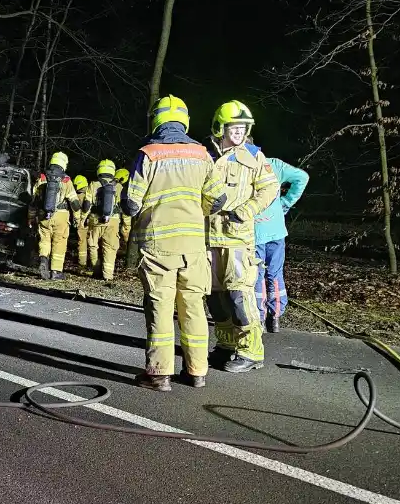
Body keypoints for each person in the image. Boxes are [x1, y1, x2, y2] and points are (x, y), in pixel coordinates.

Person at [124, 95, 227, 390]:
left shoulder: (149, 154)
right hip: (194, 248)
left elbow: (131, 204)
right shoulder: (202, 154)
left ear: (156, 119)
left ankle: (159, 374)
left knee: (160, 308)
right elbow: (218, 199)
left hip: (159, 248)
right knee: (193, 307)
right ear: (185, 120)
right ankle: (197, 372)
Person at [205, 101, 279, 373]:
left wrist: (247, 209)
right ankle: (226, 345)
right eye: (233, 127)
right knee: (214, 296)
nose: (238, 132)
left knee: (238, 295)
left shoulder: (254, 156)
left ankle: (251, 351)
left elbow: (269, 189)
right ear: (220, 128)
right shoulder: (204, 154)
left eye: (242, 128)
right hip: (207, 238)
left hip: (237, 238)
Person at [253, 157, 309, 332]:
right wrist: (285, 202)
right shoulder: (274, 165)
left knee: (256, 274)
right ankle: (275, 316)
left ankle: (259, 317)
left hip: (254, 231)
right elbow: (302, 177)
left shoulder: (241, 166)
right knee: (275, 274)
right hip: (276, 229)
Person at [31, 151, 80, 280]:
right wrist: (77, 218)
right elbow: (74, 203)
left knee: (44, 240)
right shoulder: (66, 180)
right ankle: (56, 272)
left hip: (43, 215)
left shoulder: (42, 177)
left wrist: (30, 217)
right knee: (59, 242)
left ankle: (43, 260)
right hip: (61, 216)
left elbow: (34, 200)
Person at [85, 160, 123, 281]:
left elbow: (87, 204)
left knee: (93, 244)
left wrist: (83, 219)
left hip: (95, 219)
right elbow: (123, 207)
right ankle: (107, 275)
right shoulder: (119, 187)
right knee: (110, 247)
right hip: (113, 220)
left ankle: (96, 271)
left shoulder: (93, 184)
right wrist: (126, 226)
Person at [71, 174, 91, 273]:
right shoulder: (92, 192)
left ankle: (82, 264)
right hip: (94, 222)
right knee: (93, 243)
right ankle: (94, 264)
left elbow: (76, 210)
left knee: (82, 243)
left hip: (82, 223)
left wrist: (78, 221)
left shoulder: (78, 196)